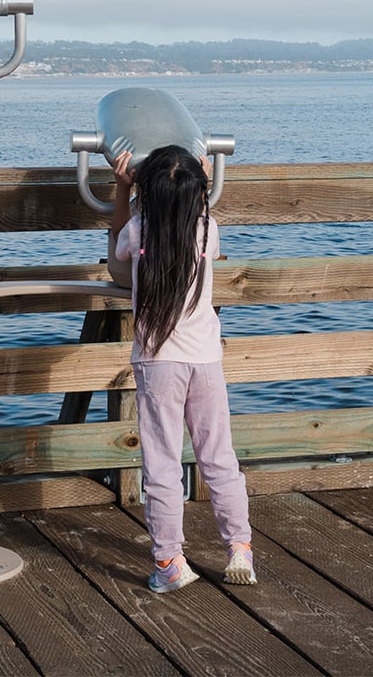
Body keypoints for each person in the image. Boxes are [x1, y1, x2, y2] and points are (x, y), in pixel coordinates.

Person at [111, 145, 256, 593]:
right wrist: (204, 181)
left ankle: (170, 561)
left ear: (146, 190)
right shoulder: (207, 229)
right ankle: (240, 549)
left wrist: (121, 188)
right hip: (205, 360)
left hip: (159, 363)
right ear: (198, 194)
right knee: (219, 457)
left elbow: (118, 259)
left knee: (162, 463)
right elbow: (194, 205)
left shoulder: (138, 230)